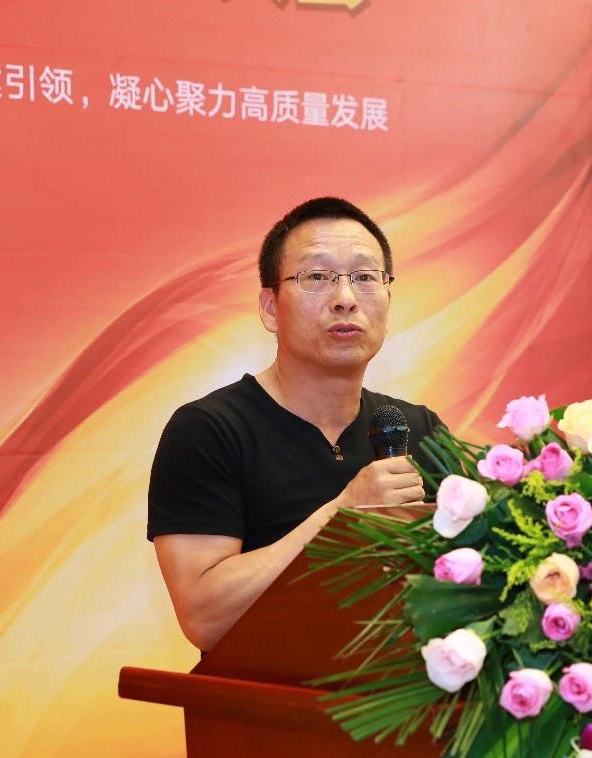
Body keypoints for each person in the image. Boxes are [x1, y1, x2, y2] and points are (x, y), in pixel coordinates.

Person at [147, 197, 446, 653]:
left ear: (388, 299)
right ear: (270, 307)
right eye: (317, 277)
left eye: (365, 277)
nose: (346, 299)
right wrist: (342, 516)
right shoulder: (208, 431)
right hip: (266, 695)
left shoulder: (418, 428)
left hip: (405, 691)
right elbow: (205, 619)